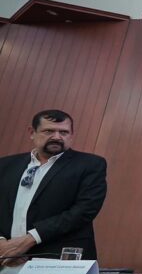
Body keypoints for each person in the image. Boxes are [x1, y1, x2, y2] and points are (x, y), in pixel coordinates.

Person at [0, 110, 107, 265]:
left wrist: (30, 239)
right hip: (4, 260)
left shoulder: (90, 165)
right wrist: (2, 243)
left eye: (63, 132)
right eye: (48, 131)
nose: (57, 137)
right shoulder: (5, 166)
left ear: (71, 135)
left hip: (57, 261)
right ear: (32, 132)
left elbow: (85, 210)